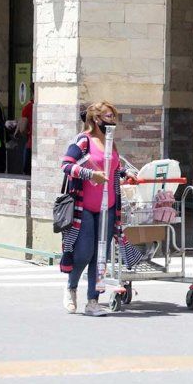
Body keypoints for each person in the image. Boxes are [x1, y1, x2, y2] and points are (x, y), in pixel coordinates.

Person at [59, 101, 138, 316]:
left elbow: (112, 170)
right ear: (96, 119)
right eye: (107, 116)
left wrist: (124, 174)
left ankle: (93, 301)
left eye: (113, 116)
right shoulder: (83, 141)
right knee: (85, 253)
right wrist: (89, 175)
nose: (112, 120)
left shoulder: (111, 143)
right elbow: (66, 165)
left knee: (101, 256)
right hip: (84, 206)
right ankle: (71, 287)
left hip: (109, 207)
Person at [17, 95, 33, 175]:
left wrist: (27, 135)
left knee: (27, 173)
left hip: (30, 144)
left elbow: (22, 129)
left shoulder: (28, 107)